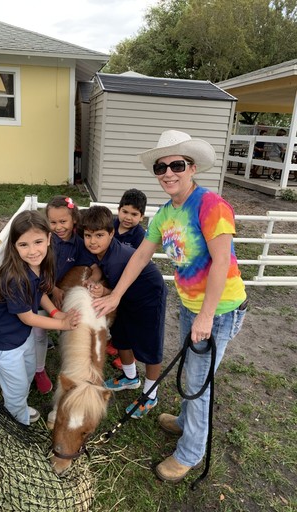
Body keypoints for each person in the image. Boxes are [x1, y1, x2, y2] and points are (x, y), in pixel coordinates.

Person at [92, 129, 247, 483]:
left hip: (220, 309)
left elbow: (222, 262)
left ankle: (190, 453)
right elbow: (140, 256)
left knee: (198, 381)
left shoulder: (211, 206)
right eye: (161, 168)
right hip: (192, 306)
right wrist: (115, 295)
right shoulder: (165, 213)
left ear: (191, 167)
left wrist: (206, 316)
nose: (168, 173)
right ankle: (184, 422)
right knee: (192, 369)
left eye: (176, 164)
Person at [0, 210, 80, 425]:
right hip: (5, 342)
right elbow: (28, 317)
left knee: (27, 374)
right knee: (16, 388)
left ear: (48, 238)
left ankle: (19, 407)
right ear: (14, 247)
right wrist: (62, 323)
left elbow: (42, 293)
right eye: (23, 245)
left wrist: (56, 313)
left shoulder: (40, 265)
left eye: (38, 242)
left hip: (22, 335)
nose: (32, 251)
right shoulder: (16, 277)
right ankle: (18, 425)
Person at [81, 205, 168, 419]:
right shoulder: (103, 252)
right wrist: (97, 280)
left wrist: (106, 291)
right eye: (88, 235)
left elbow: (121, 287)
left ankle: (150, 395)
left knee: (150, 346)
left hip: (149, 296)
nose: (93, 241)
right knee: (120, 336)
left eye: (99, 235)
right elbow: (101, 268)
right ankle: (130, 377)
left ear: (112, 233)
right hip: (125, 297)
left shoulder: (119, 258)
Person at [31, 196, 101, 393]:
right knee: (38, 330)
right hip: (37, 291)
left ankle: (70, 362)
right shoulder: (44, 240)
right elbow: (35, 270)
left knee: (70, 323)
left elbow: (95, 267)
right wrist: (53, 289)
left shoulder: (79, 244)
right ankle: (38, 370)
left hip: (59, 292)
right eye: (53, 222)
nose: (58, 227)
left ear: (74, 220)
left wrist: (93, 278)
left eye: (63, 222)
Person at [109, 188, 147, 369]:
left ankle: (129, 350)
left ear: (142, 216)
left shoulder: (140, 236)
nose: (128, 217)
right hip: (109, 277)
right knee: (113, 314)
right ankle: (115, 343)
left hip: (129, 283)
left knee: (128, 317)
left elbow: (140, 261)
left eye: (134, 214)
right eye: (125, 211)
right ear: (118, 210)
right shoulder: (109, 226)